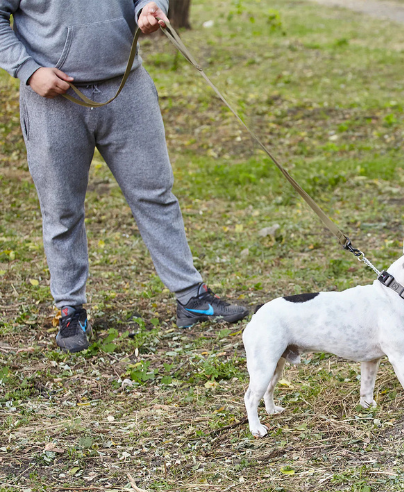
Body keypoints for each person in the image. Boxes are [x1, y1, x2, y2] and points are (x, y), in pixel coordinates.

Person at [0, 0, 248, 352]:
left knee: (155, 193)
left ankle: (192, 297)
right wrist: (27, 70)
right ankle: (70, 309)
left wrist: (149, 7)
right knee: (61, 208)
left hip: (127, 85)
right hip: (52, 99)